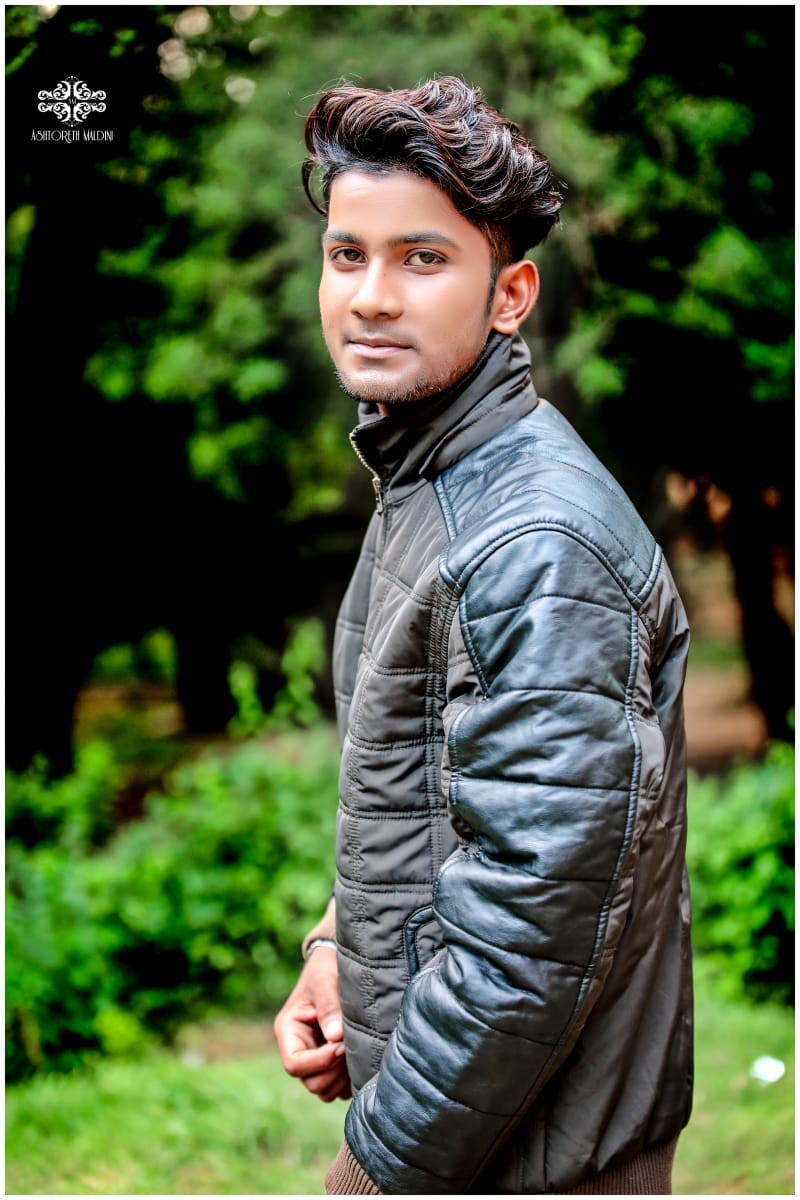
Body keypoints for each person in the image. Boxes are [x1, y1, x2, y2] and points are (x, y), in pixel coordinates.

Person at [274, 76, 693, 1195]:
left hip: (528, 1161)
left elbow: (533, 935)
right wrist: (339, 948)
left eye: (422, 259)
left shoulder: (535, 545)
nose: (370, 298)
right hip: (479, 1131)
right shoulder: (433, 476)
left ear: (509, 294)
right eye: (346, 255)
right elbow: (441, 798)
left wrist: (375, 1170)